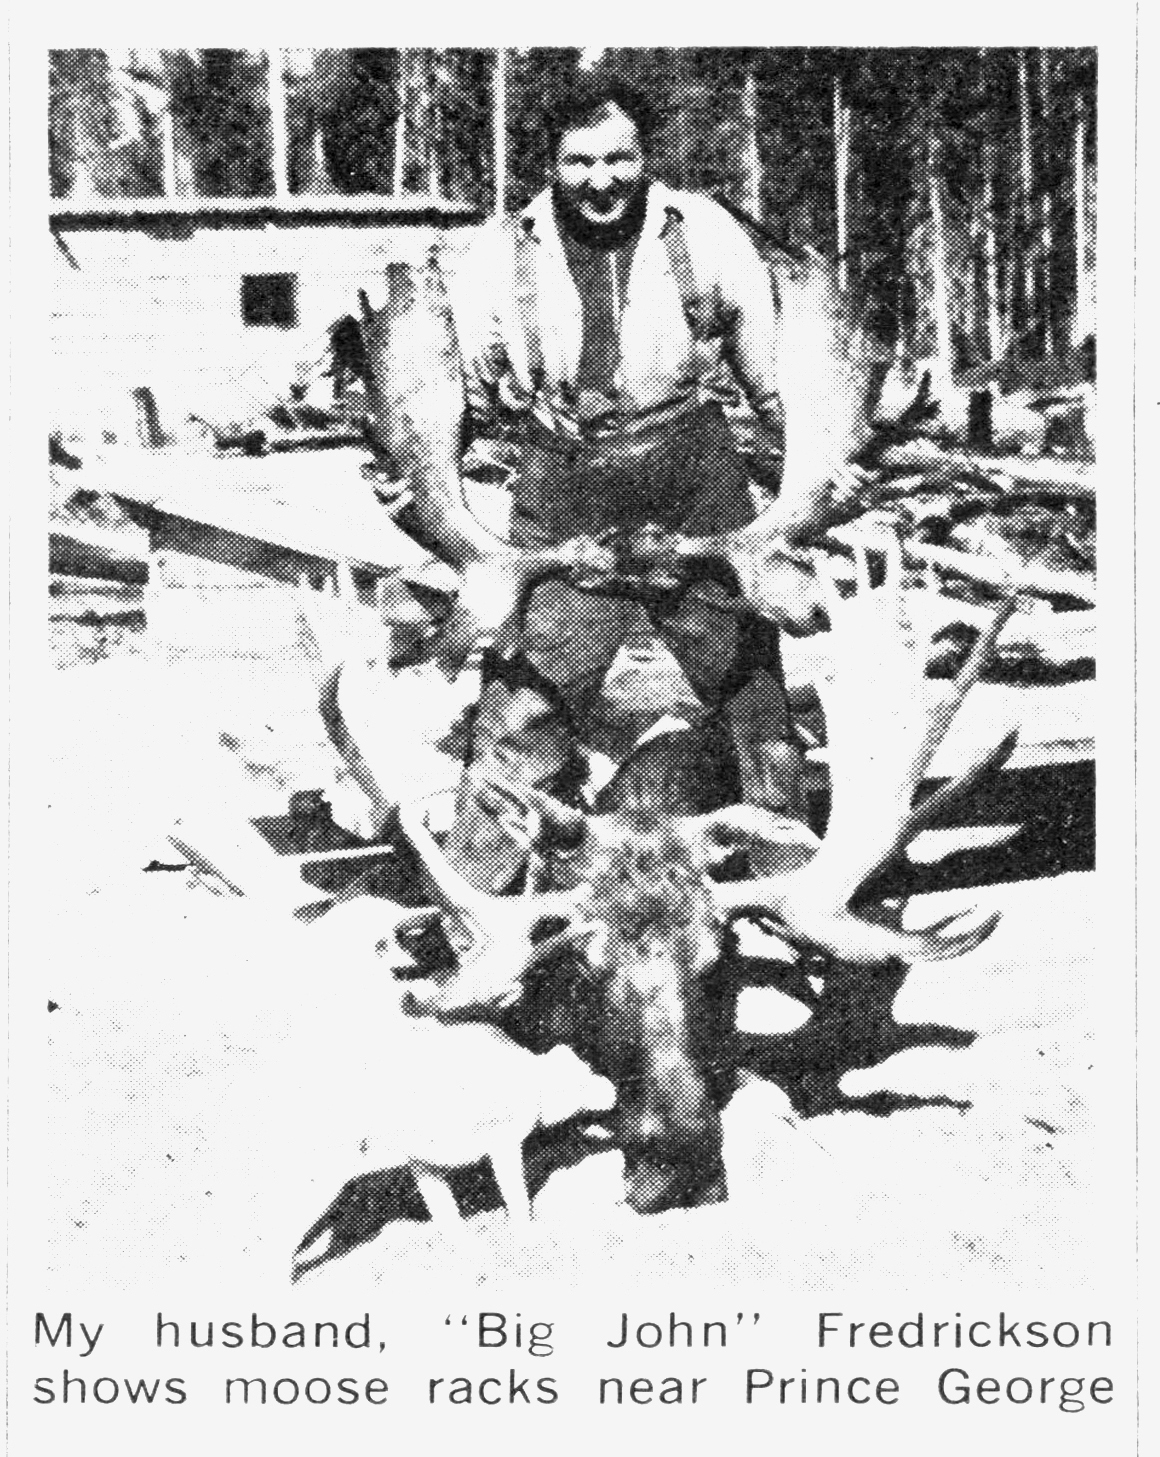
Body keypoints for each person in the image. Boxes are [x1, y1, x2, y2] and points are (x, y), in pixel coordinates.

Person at [442, 73, 820, 891]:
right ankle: (476, 906)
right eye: (580, 162)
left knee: (755, 702)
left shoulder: (705, 232)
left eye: (620, 158)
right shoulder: (495, 256)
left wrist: (810, 487)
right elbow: (466, 401)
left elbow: (773, 380)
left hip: (692, 470)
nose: (602, 179)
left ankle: (795, 894)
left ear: (646, 156)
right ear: (550, 164)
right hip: (563, 480)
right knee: (523, 706)